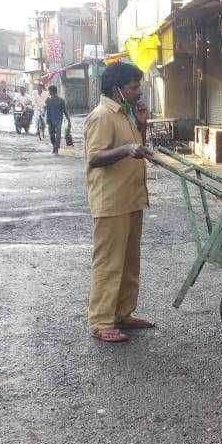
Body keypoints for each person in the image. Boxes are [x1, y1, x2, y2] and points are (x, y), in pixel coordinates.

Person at [83, 62, 154, 343]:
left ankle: (123, 312)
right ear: (118, 89)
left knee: (129, 261)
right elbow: (95, 157)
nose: (138, 92)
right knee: (109, 264)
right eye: (133, 87)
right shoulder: (102, 116)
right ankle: (101, 321)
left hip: (131, 198)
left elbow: (138, 148)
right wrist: (126, 149)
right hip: (111, 202)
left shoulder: (124, 114)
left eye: (138, 87)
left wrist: (142, 126)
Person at [44, 85, 70, 154]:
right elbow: (45, 109)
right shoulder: (47, 100)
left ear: (52, 91)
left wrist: (68, 119)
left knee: (58, 135)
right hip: (50, 120)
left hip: (58, 119)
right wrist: (43, 115)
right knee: (51, 135)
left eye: (49, 91)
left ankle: (56, 148)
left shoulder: (61, 100)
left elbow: (65, 110)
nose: (49, 92)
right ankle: (54, 146)